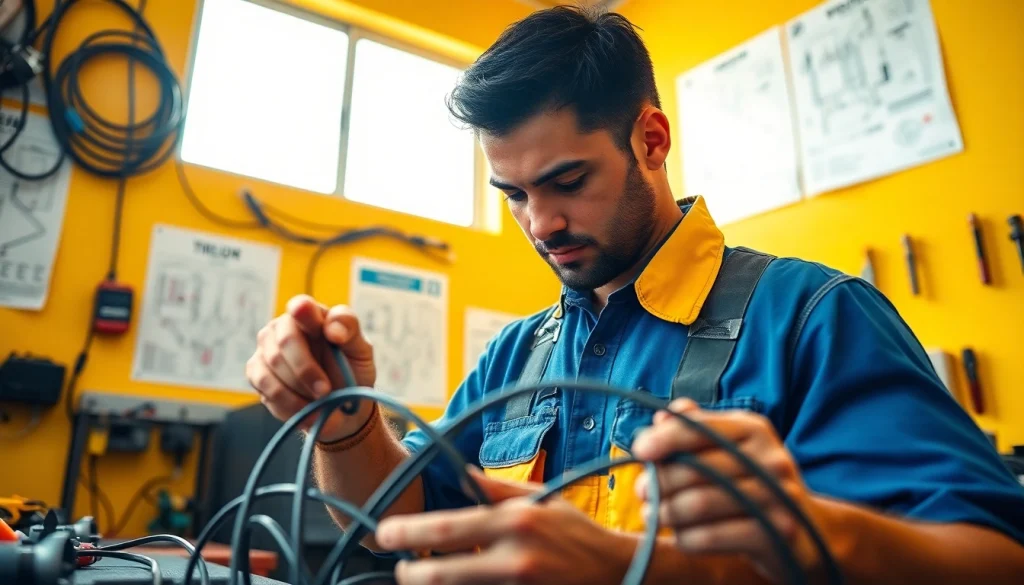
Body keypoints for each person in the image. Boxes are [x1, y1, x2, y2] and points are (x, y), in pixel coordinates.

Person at [245, 6, 1024, 584]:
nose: (540, 223)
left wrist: (809, 534)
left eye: (567, 181)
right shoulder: (520, 354)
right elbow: (395, 523)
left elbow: (995, 558)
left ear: (651, 140)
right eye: (512, 194)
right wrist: (345, 420)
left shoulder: (811, 318)